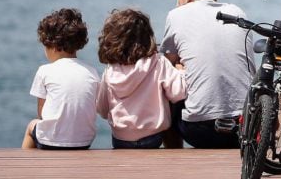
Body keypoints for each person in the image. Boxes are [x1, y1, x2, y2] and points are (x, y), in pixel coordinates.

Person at [161, 0, 252, 148]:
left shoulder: (176, 15)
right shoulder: (237, 12)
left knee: (166, 83)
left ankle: (173, 153)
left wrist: (179, 67)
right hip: (243, 127)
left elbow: (166, 65)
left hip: (199, 131)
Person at [95, 8, 187, 148]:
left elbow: (102, 109)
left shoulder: (110, 70)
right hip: (153, 137)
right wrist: (181, 72)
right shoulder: (158, 62)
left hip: (121, 139)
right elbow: (179, 93)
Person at [22, 8, 99, 150]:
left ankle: (25, 164)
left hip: (50, 142)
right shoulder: (92, 72)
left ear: (54, 46)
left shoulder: (44, 71)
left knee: (31, 126)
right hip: (84, 142)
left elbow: (42, 113)